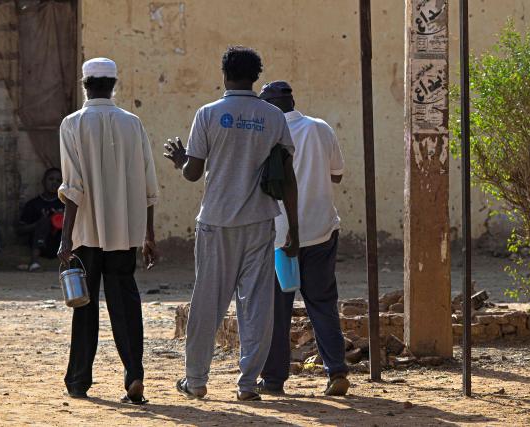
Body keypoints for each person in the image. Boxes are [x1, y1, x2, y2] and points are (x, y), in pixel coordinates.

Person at [164, 46, 299, 402]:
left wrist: (181, 160)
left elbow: (193, 174)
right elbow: (286, 177)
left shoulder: (208, 113)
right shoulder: (273, 117)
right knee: (256, 306)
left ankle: (195, 380)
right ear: (256, 77)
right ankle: (247, 384)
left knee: (208, 301)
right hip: (260, 221)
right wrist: (295, 230)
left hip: (216, 221)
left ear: (224, 74)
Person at [57, 57, 159, 403]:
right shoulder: (132, 124)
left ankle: (78, 380)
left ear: (85, 85)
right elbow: (149, 186)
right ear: (113, 85)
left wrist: (65, 237)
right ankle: (134, 372)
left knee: (84, 305)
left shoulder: (72, 124)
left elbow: (73, 188)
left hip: (86, 233)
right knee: (126, 304)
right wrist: (149, 234)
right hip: (124, 233)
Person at [256, 81, 349, 396]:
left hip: (279, 237)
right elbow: (337, 173)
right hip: (320, 231)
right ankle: (336, 370)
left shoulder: (264, 134)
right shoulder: (319, 128)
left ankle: (273, 379)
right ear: (293, 101)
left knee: (276, 310)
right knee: (322, 303)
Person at [17, 167, 64, 272]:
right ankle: (34, 261)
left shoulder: (65, 204)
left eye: (58, 181)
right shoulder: (33, 204)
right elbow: (20, 230)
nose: (54, 183)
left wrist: (61, 219)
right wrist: (38, 224)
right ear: (43, 181)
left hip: (59, 244)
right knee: (45, 221)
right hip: (40, 245)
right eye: (51, 179)